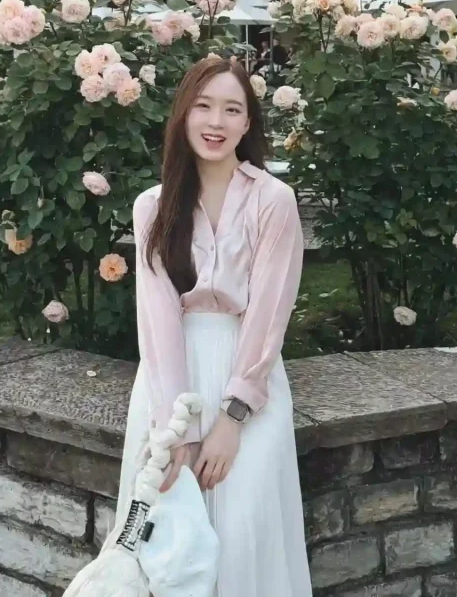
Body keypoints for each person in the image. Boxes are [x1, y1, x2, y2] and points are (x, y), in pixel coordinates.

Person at [116, 55, 313, 596]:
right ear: (183, 115)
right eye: (203, 106)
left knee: (246, 532)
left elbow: (270, 311)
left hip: (248, 378)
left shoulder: (274, 201)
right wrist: (172, 431)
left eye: (232, 109)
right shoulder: (152, 207)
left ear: (248, 124)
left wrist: (232, 418)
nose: (216, 122)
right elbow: (156, 320)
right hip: (169, 381)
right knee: (169, 540)